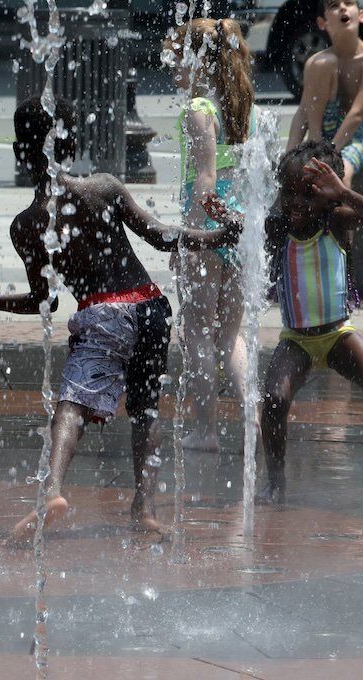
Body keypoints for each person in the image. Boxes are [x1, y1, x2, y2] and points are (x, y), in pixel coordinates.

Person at [0, 100, 242, 543]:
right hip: (151, 307)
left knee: (72, 402)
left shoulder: (26, 224)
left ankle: (53, 492)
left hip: (103, 314)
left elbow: (42, 301)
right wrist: (216, 237)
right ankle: (143, 508)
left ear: (17, 152)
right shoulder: (103, 188)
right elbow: (162, 236)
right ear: (70, 143)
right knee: (144, 410)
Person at [206, 142, 363, 505]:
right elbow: (244, 230)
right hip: (297, 340)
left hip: (338, 334)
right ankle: (275, 479)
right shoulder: (280, 228)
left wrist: (342, 192)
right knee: (274, 400)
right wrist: (224, 218)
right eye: (288, 194)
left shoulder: (337, 221)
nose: (296, 204)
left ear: (327, 195)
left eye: (308, 195)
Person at [164, 18, 258, 452]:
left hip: (208, 231)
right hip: (240, 233)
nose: (173, 68)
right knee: (231, 335)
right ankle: (253, 417)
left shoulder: (199, 111)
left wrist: (188, 237)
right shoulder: (246, 109)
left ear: (197, 60)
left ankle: (206, 432)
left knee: (198, 331)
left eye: (178, 58)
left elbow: (204, 182)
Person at [286, 0, 363, 187]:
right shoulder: (316, 63)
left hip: (358, 136)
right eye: (334, 5)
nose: (343, 8)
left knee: (340, 175)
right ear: (322, 23)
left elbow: (357, 114)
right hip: (325, 136)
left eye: (349, 3)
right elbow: (303, 112)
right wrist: (288, 159)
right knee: (321, 62)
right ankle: (315, 146)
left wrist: (330, 156)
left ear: (361, 15)